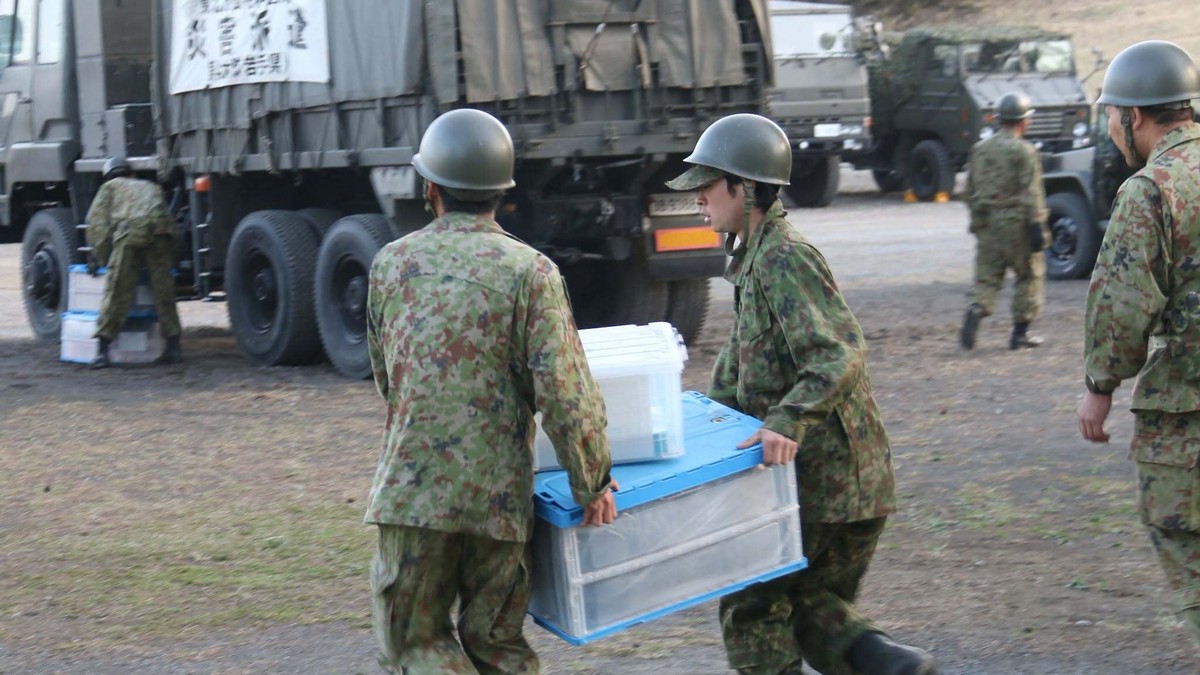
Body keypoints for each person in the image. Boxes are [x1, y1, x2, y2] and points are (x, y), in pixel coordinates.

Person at [665, 113, 937, 675]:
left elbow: (838, 352)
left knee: (753, 606)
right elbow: (740, 370)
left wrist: (786, 422)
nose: (697, 199)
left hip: (830, 482)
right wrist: (692, 427)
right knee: (809, 607)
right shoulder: (754, 259)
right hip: (841, 484)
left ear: (747, 188)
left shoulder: (784, 257)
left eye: (708, 185)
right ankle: (893, 666)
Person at [364, 107, 618, 674]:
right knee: (498, 645)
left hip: (413, 495)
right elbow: (566, 392)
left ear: (429, 186)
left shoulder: (390, 265)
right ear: (502, 193)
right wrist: (592, 481)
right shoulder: (532, 272)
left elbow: (389, 377)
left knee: (415, 644)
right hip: (498, 504)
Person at [1077, 40, 1200, 646]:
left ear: (1137, 117)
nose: (1110, 127)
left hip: (1189, 419)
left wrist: (1099, 388)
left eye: (1111, 113)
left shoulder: (1152, 190)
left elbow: (1122, 303)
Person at [960, 91, 1050, 351]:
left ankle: (977, 308)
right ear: (1024, 121)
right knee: (1029, 275)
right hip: (1017, 224)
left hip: (988, 223)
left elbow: (969, 190)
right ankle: (1020, 332)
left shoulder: (980, 149)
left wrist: (978, 222)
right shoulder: (1025, 151)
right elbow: (1032, 192)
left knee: (987, 276)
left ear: (999, 119)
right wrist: (1037, 226)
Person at [85, 157, 183, 368]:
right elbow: (171, 223)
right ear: (131, 174)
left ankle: (103, 352)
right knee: (163, 290)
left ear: (108, 176)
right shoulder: (150, 186)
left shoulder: (108, 188)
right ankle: (173, 347)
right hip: (160, 232)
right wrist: (170, 258)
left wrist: (102, 259)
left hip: (130, 233)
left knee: (117, 290)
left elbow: (97, 227)